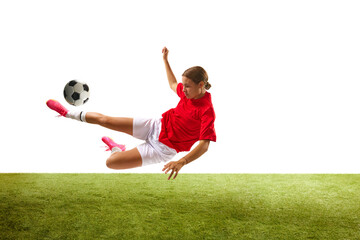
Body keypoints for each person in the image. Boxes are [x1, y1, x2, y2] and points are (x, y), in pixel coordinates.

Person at [46, 47, 216, 180]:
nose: (183, 89)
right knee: (105, 119)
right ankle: (67, 113)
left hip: (162, 149)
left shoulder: (206, 111)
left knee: (111, 163)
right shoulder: (188, 93)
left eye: (187, 86)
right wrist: (165, 60)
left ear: (201, 85)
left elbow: (204, 145)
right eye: (183, 85)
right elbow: (172, 83)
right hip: (156, 126)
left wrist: (182, 162)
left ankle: (115, 148)